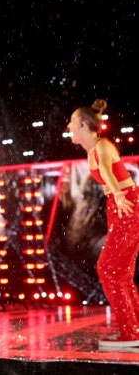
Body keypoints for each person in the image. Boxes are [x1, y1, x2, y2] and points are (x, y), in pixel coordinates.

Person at [67, 99, 139, 348]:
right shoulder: (92, 149)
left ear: (84, 125)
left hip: (126, 203)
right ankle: (135, 330)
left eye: (72, 123)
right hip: (118, 204)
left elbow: (108, 172)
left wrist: (118, 194)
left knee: (108, 268)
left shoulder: (103, 146)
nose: (68, 126)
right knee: (121, 273)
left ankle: (132, 334)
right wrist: (115, 196)